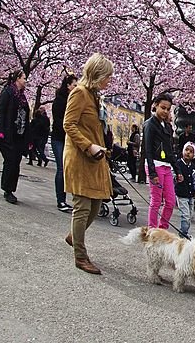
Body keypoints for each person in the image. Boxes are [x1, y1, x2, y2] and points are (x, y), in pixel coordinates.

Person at [62, 53, 114, 275]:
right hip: (80, 156)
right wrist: (88, 146)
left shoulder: (93, 96)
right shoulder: (80, 93)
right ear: (97, 74)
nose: (109, 81)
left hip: (94, 156)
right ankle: (80, 256)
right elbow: (68, 124)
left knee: (96, 204)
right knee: (82, 207)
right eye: (107, 76)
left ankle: (75, 235)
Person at [143, 93, 182, 229]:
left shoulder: (167, 127)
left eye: (168, 109)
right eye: (163, 108)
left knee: (170, 201)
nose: (165, 111)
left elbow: (170, 151)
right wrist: (152, 173)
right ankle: (152, 229)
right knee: (156, 200)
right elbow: (147, 150)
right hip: (155, 165)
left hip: (166, 167)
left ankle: (162, 229)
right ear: (155, 106)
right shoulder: (150, 124)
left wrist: (178, 170)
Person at [0, 70, 30, 204]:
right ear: (17, 79)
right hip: (8, 133)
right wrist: (0, 131)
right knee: (10, 161)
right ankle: (7, 190)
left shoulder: (23, 97)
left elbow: (26, 116)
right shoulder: (8, 92)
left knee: (15, 161)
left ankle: (10, 189)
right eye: (24, 78)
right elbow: (2, 112)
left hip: (19, 135)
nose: (26, 80)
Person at [51, 74, 77, 213]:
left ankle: (66, 199)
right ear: (67, 86)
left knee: (68, 169)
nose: (75, 88)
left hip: (68, 139)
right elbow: (60, 121)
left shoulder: (73, 100)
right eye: (74, 85)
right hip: (59, 138)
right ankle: (60, 200)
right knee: (61, 168)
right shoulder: (60, 101)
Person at [175, 142, 195, 239]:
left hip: (190, 194)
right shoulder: (178, 164)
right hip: (181, 193)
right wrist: (176, 178)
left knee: (190, 215)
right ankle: (183, 234)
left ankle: (184, 232)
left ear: (194, 155)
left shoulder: (193, 167)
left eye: (191, 152)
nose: (188, 153)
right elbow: (172, 176)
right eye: (186, 150)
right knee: (185, 215)